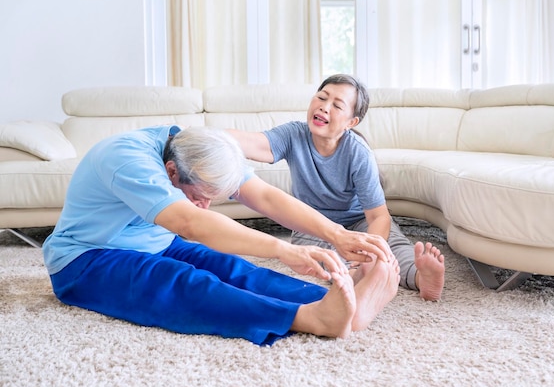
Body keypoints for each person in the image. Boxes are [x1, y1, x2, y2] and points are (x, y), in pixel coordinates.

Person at [42, 125, 399, 346]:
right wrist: (280, 249)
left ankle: (336, 302)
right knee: (183, 281)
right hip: (85, 261)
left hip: (154, 243)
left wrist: (337, 234)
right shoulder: (126, 160)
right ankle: (310, 318)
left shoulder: (199, 148)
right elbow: (191, 225)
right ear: (170, 173)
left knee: (234, 269)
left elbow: (265, 196)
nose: (206, 206)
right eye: (200, 196)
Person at [228, 74, 445, 301]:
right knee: (325, 256)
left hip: (357, 221)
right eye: (321, 97)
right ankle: (355, 276)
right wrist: (208, 137)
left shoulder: (358, 152)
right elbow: (253, 143)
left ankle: (422, 278)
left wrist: (370, 250)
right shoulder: (293, 135)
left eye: (337, 105)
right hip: (311, 224)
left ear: (351, 122)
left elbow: (378, 216)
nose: (324, 107)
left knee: (392, 248)